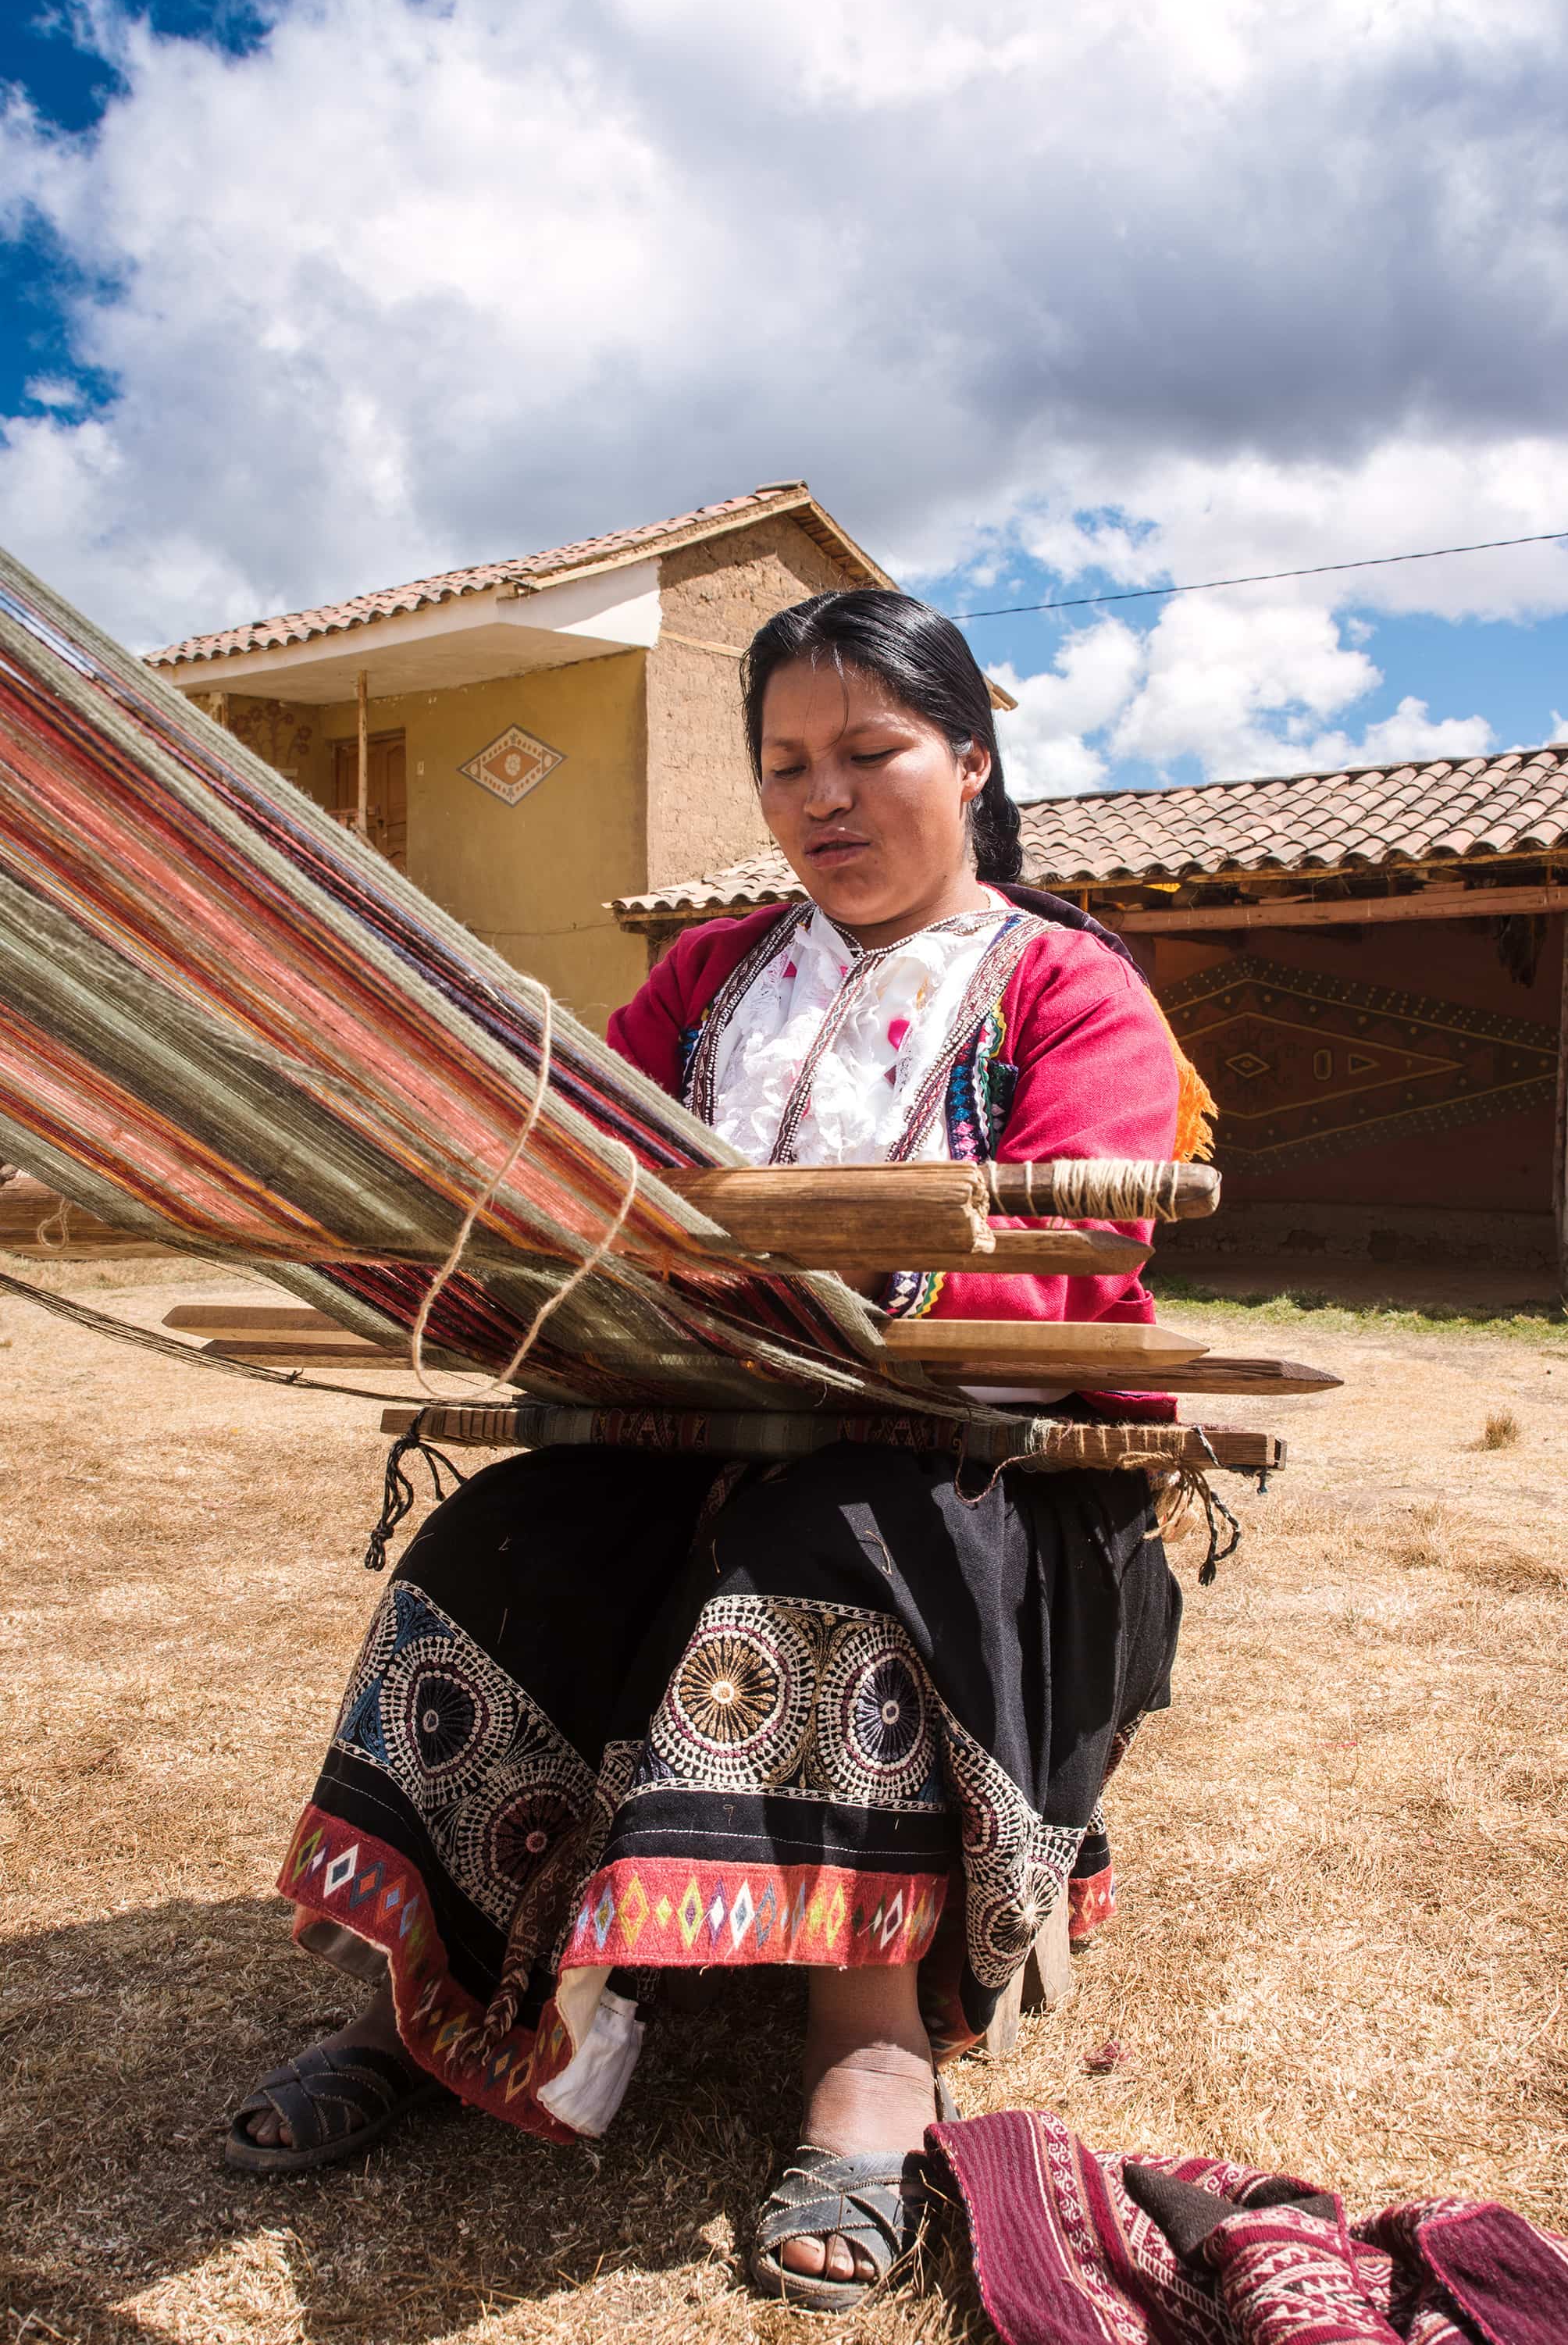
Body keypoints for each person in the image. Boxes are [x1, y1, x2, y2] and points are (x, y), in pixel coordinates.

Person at [227, 590, 1204, 2313]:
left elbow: (1076, 1254)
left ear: (971, 763)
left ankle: (868, 2044)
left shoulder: (1067, 984)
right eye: (785, 763)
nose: (824, 796)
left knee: (821, 1547)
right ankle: (441, 1988)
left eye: (870, 751)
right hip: (688, 1429)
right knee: (501, 1540)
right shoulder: (707, 977)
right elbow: (582, 1174)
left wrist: (848, 1296)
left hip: (969, 1474)